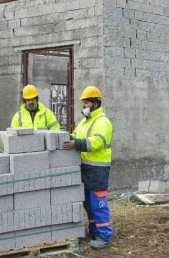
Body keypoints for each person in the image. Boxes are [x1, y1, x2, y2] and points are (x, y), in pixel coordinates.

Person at [63, 86, 113, 249]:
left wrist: (76, 144)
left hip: (98, 170)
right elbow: (76, 135)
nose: (84, 106)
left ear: (95, 103)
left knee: (99, 204)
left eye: (86, 102)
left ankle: (104, 237)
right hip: (85, 168)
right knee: (88, 204)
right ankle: (94, 232)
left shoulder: (103, 122)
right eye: (83, 102)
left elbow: (97, 142)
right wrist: (64, 138)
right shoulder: (85, 121)